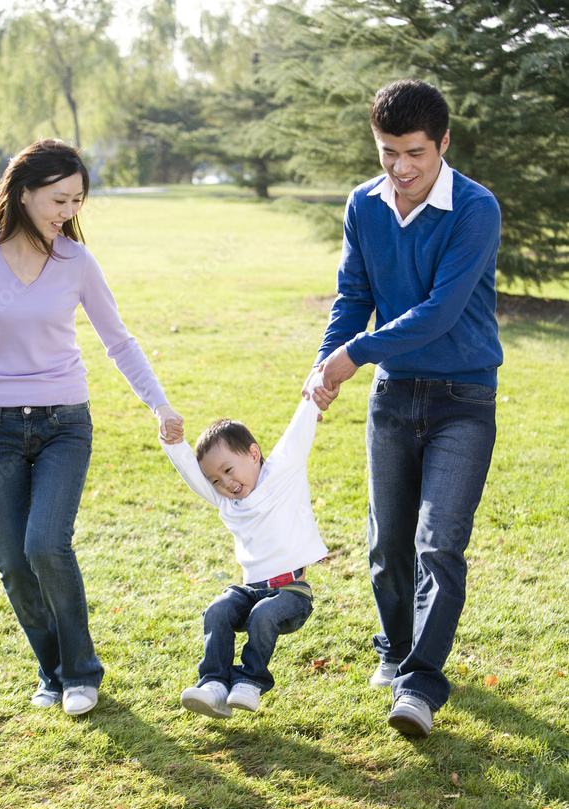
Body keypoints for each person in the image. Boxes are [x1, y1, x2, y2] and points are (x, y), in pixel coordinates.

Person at [0, 138, 183, 717]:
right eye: (60, 199)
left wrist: (160, 405)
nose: (69, 211)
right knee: (12, 563)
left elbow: (118, 340)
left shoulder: (76, 262)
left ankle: (81, 672)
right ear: (24, 193)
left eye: (77, 200)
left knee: (45, 545)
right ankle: (53, 672)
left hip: (64, 423)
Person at [305, 78, 502, 737]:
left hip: (463, 400)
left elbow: (440, 311)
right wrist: (325, 362)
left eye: (414, 152)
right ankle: (393, 649)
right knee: (387, 544)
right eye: (387, 151)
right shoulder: (363, 205)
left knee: (438, 543)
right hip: (393, 398)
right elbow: (353, 294)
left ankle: (418, 687)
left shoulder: (475, 209)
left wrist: (354, 354)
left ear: (443, 143)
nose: (400, 167)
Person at [159, 372, 328, 719]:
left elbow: (297, 433)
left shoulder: (282, 473)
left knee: (264, 615)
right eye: (216, 480)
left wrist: (316, 391)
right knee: (217, 610)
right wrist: (173, 443)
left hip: (291, 593)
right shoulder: (227, 502)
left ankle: (250, 681)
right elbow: (192, 474)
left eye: (228, 470)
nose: (226, 483)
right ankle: (214, 685)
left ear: (254, 454)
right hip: (252, 590)